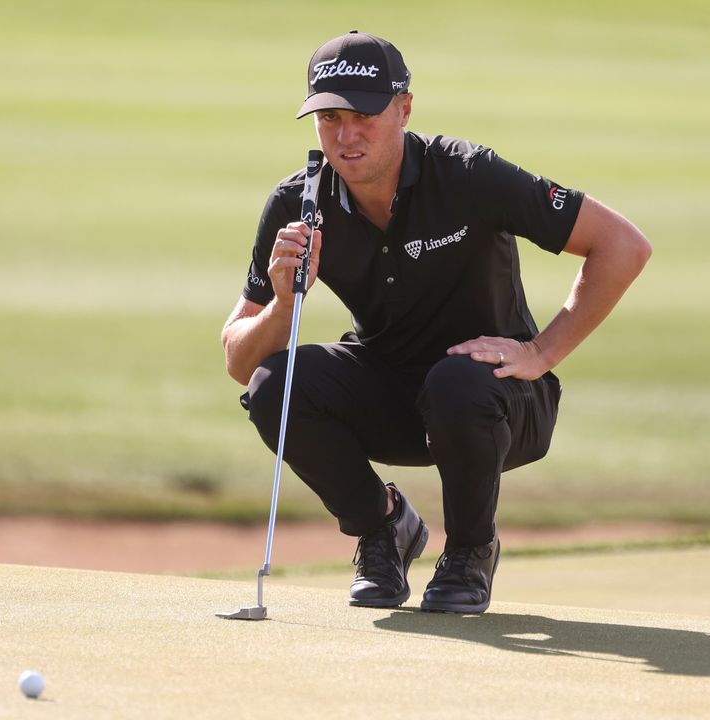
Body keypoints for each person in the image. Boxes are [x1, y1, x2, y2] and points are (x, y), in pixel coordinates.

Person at [222, 30, 651, 614]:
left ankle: (471, 550)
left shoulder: (469, 174)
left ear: (403, 109)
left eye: (364, 115)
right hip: (393, 397)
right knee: (274, 384)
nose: (346, 136)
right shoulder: (300, 202)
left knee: (456, 380)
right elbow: (239, 360)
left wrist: (542, 353)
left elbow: (623, 245)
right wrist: (282, 303)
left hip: (500, 401)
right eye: (329, 119)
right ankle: (385, 529)